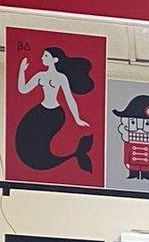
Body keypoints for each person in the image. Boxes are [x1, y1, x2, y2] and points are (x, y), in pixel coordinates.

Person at [13, 46, 96, 175]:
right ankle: (37, 157)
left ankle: (51, 157)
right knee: (29, 136)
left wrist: (77, 118)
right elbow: (23, 89)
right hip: (40, 111)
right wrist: (22, 70)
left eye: (46, 56)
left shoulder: (61, 77)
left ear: (55, 60)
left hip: (56, 114)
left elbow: (69, 98)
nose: (42, 58)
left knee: (44, 139)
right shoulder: (40, 75)